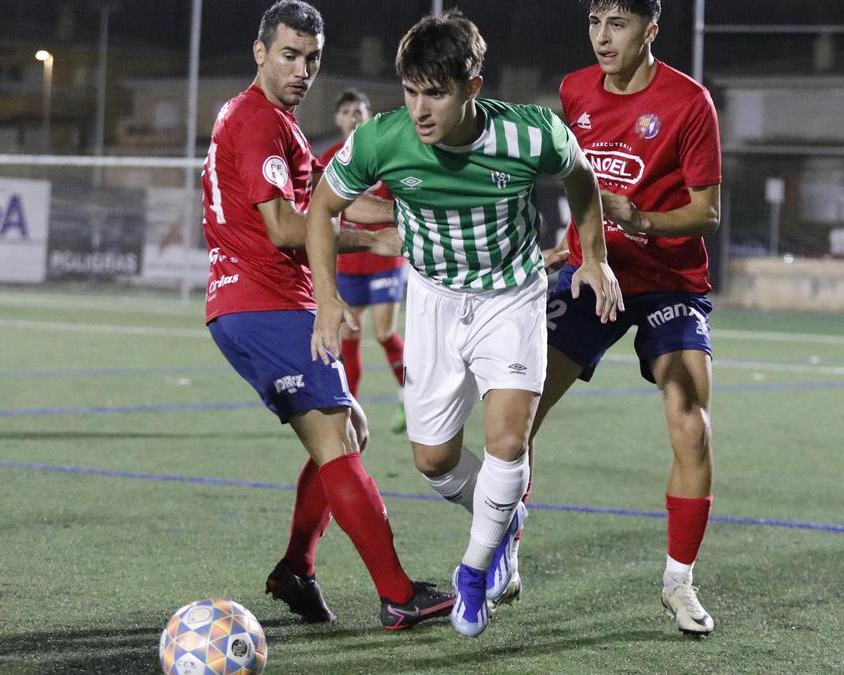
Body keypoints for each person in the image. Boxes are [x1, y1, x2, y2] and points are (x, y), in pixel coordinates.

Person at [306, 10, 622, 638]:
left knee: (508, 441)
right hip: (433, 301)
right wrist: (325, 296)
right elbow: (321, 205)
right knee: (432, 459)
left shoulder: (531, 135)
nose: (420, 110)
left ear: (472, 87)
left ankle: (475, 570)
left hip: (512, 297)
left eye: (437, 93)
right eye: (411, 91)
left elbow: (582, 177)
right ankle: (504, 520)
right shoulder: (380, 141)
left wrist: (597, 258)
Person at [200, 0, 453, 630]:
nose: (302, 70)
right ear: (260, 53)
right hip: (264, 303)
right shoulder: (258, 121)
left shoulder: (275, 123)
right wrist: (371, 243)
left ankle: (296, 570)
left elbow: (332, 201)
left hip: (258, 303)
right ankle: (397, 595)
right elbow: (290, 226)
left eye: (311, 59)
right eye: (289, 55)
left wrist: (408, 219)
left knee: (351, 433)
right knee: (339, 439)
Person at [532, 0, 723, 636]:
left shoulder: (690, 104)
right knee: (518, 413)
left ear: (651, 29)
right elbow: (575, 180)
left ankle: (679, 583)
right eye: (594, 21)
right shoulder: (574, 90)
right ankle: (500, 551)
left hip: (668, 282)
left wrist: (637, 218)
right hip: (592, 274)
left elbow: (705, 213)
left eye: (618, 23)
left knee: (690, 425)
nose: (602, 37)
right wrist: (574, 243)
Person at [317, 89, 408, 434]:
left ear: (369, 116)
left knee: (384, 331)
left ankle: (409, 396)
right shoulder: (328, 158)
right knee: (349, 336)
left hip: (384, 258)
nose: (354, 115)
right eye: (346, 111)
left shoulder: (386, 155)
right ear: (338, 119)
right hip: (350, 262)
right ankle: (349, 409)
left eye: (360, 109)